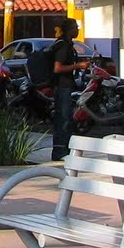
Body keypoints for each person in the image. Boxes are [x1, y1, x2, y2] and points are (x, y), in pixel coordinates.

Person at [49, 18, 92, 161]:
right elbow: (57, 68)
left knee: (65, 118)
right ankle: (60, 151)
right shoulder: (62, 47)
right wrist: (78, 66)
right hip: (62, 86)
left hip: (66, 85)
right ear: (69, 30)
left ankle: (63, 149)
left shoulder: (68, 45)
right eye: (75, 27)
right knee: (64, 119)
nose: (77, 30)